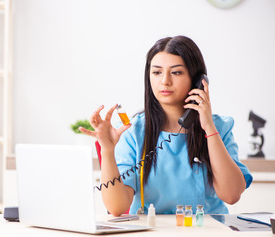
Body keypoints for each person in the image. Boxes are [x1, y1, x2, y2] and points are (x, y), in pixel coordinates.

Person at [79, 35, 252, 216]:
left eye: (176, 72)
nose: (165, 81)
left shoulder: (220, 127)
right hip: (154, 232)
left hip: (207, 231)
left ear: (197, 80)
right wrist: (107, 151)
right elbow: (117, 208)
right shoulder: (134, 132)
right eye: (157, 72)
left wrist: (209, 128)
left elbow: (231, 195)